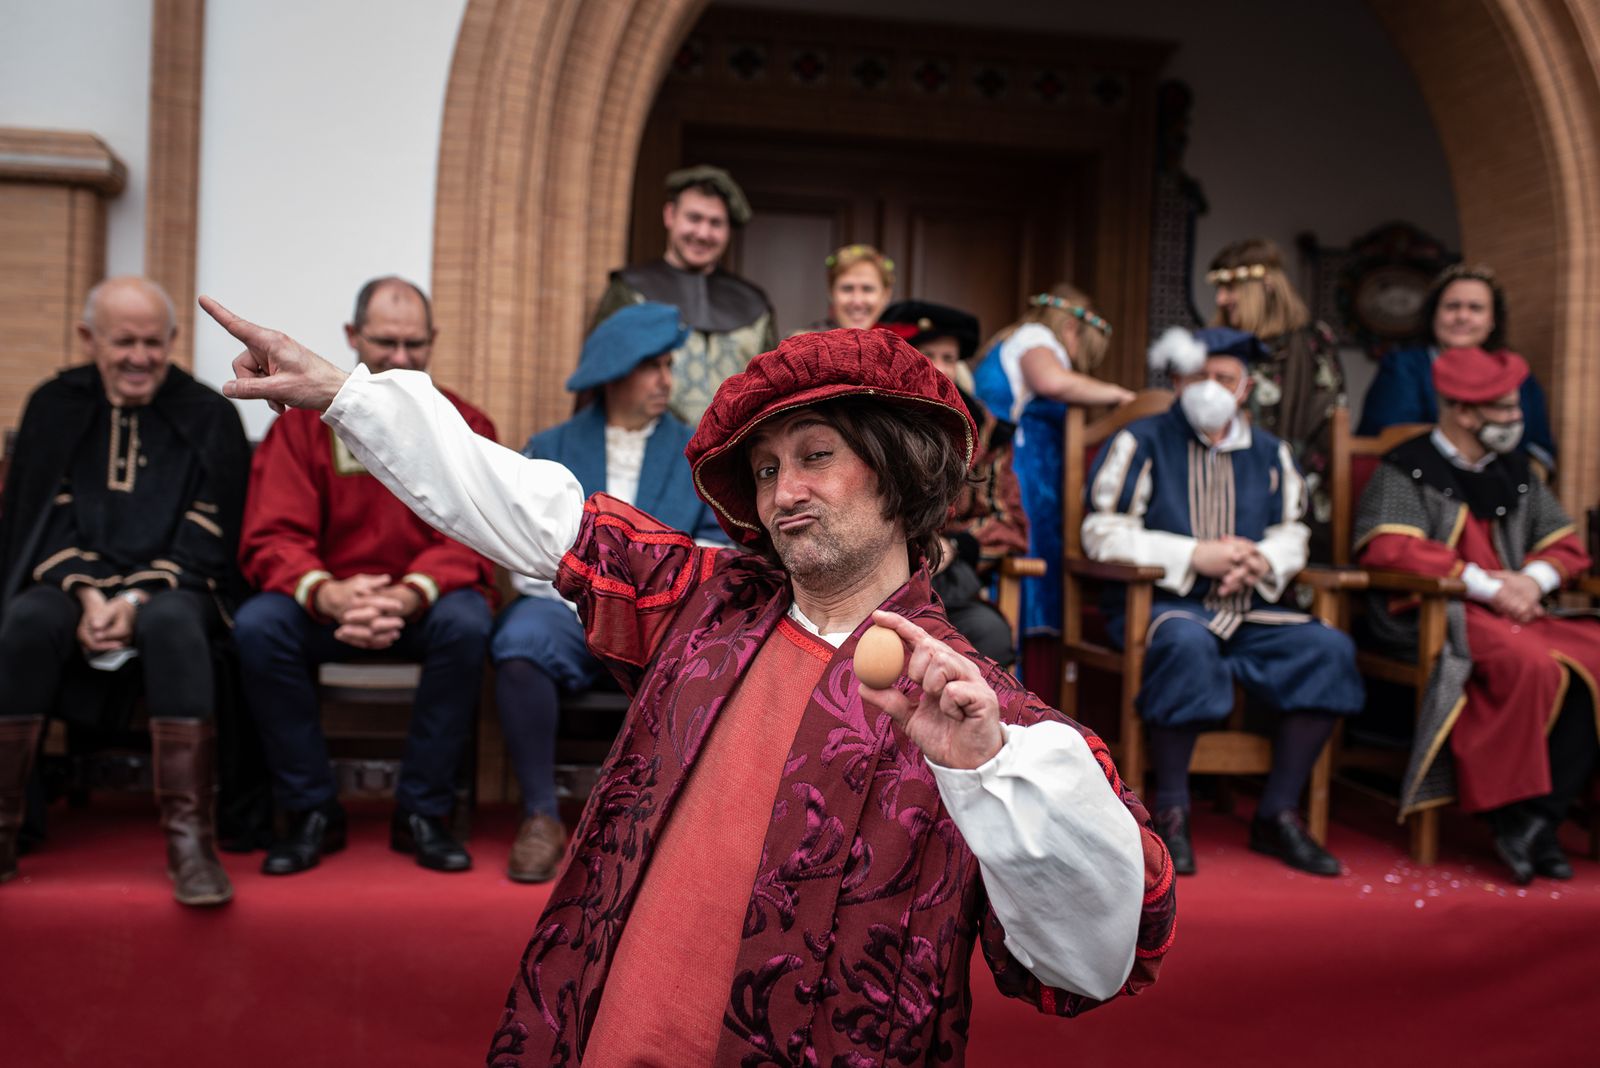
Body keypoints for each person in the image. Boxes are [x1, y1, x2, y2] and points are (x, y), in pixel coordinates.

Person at [205, 299, 1175, 1066]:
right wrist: (347, 394)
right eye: (761, 470)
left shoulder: (982, 721)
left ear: (898, 470)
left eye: (814, 457)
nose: (781, 492)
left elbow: (1088, 961)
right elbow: (531, 508)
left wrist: (987, 771)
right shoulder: (701, 603)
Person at [0, 277, 249, 906]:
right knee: (26, 621)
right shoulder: (52, 404)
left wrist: (132, 601)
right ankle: (4, 826)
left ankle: (189, 841)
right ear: (89, 339)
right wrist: (88, 595)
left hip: (176, 587)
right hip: (69, 585)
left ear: (172, 340)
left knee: (171, 622)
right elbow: (41, 515)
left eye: (153, 341)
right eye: (124, 341)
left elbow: (209, 524)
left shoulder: (208, 413)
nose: (140, 356)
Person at [234, 277, 495, 876]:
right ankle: (310, 812)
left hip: (422, 604)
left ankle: (423, 814)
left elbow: (480, 532)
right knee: (258, 627)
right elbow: (273, 533)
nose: (400, 359)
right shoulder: (300, 427)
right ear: (352, 337)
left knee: (468, 622)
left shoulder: (466, 423)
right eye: (385, 343)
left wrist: (408, 595)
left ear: (432, 342)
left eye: (414, 344)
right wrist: (326, 592)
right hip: (327, 602)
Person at [1084, 326, 1365, 876]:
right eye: (1198, 376)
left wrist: (1262, 560)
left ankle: (1277, 814)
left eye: (1224, 378)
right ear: (1177, 380)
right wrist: (1195, 556)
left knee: (1327, 650)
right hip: (1163, 605)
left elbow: (1293, 530)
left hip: (1250, 606)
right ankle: (1171, 810)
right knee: (1187, 644)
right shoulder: (1141, 440)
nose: (1210, 387)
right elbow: (1102, 531)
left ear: (1246, 387)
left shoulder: (1270, 452)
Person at [493, 302, 726, 883]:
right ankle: (541, 816)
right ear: (616, 372)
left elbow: (718, 549)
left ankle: (657, 825)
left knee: (707, 656)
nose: (667, 382)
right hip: (565, 613)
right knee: (518, 641)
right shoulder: (550, 445)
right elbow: (522, 549)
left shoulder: (697, 450)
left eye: (669, 366)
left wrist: (644, 598)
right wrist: (589, 594)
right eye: (654, 368)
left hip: (662, 621)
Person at [1354, 345, 1599, 885]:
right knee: (1529, 665)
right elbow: (1391, 549)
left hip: (1520, 610)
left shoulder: (1517, 472)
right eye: (1506, 410)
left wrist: (1533, 580)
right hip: (1439, 614)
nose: (1518, 419)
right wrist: (1491, 587)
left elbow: (1566, 545)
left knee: (1594, 658)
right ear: (1464, 412)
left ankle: (1539, 819)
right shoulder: (1406, 467)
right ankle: (1511, 815)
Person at [972, 286, 1134, 662]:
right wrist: (1121, 397)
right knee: (1025, 556)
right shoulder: (1037, 339)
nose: (1075, 359)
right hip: (1025, 469)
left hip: (1028, 464)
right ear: (1071, 331)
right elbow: (1053, 382)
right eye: (1081, 349)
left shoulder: (1011, 340)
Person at [880, 300, 1027, 665]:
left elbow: (1010, 523)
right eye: (927, 354)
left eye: (949, 357)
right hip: (872, 581)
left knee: (987, 633)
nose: (939, 368)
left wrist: (956, 545)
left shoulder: (986, 431)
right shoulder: (873, 419)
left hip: (946, 587)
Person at [592, 165, 776, 426]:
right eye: (694, 218)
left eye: (715, 223)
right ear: (670, 215)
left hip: (732, 456)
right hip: (648, 451)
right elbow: (598, 380)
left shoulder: (755, 305)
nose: (703, 233)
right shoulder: (630, 290)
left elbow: (770, 391)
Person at [1206, 238, 1346, 561]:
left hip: (1294, 490)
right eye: (1219, 288)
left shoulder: (1310, 343)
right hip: (1216, 486)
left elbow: (1323, 431)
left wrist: (1273, 487)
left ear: (1265, 284)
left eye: (1230, 287)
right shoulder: (1216, 349)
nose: (1221, 298)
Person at [1357, 262, 1556, 471]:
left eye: (1475, 308)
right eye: (1452, 306)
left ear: (1492, 321)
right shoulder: (1403, 366)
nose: (1462, 317)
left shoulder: (1514, 372)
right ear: (1433, 315)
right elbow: (1387, 441)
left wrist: (1519, 491)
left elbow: (1538, 449)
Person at [804, 243, 895, 332]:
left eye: (867, 289)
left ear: (886, 294)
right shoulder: (804, 343)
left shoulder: (901, 343)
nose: (857, 301)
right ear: (831, 292)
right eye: (847, 289)